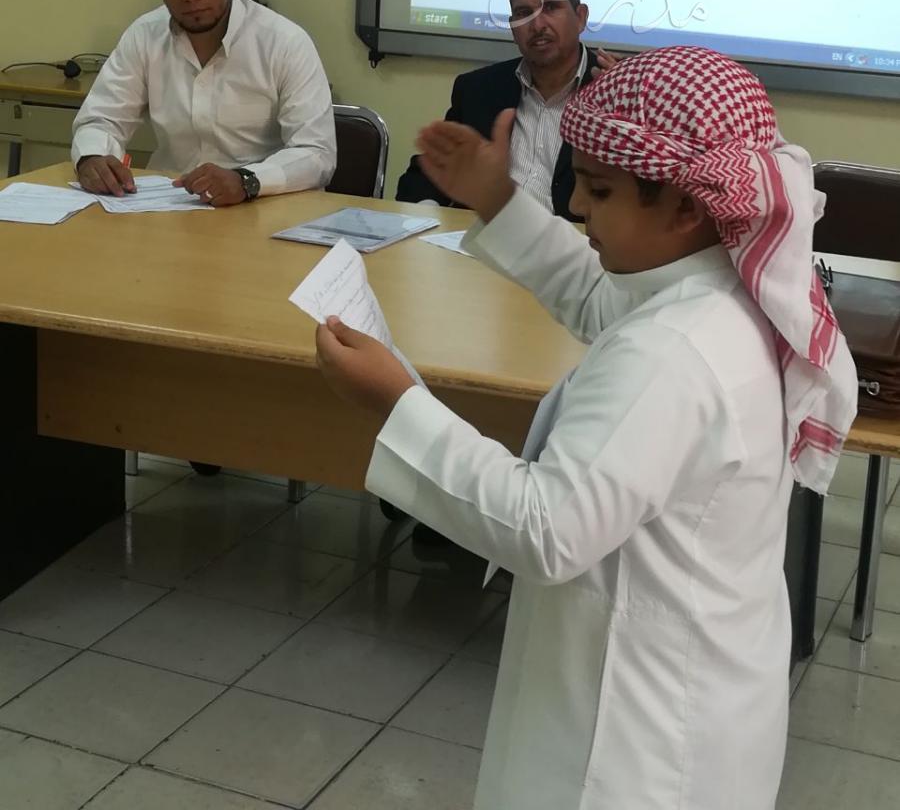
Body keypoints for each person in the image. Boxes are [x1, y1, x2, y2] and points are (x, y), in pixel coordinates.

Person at [315, 46, 858, 810]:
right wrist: (498, 199)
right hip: (694, 688)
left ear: (687, 206)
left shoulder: (674, 353)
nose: (575, 206)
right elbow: (604, 300)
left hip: (636, 742)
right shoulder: (717, 285)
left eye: (599, 190)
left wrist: (397, 402)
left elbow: (547, 528)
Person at [72, 0, 336, 206]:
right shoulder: (145, 36)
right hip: (169, 208)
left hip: (261, 208)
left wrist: (246, 180)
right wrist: (92, 157)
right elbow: (101, 118)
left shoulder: (285, 42)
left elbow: (316, 153)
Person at [396, 0, 615, 219]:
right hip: (491, 235)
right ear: (513, 27)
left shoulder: (616, 90)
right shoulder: (478, 89)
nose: (537, 25)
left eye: (550, 8)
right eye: (524, 13)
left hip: (576, 240)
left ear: (580, 17)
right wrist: (432, 217)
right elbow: (426, 176)